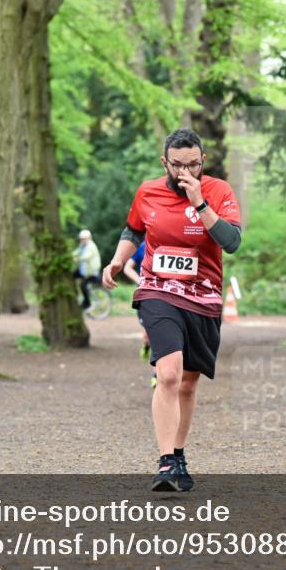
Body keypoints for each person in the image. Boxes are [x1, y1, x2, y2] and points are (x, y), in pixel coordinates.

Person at [102, 128, 242, 492]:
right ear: (164, 162)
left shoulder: (219, 191)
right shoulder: (148, 191)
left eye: (193, 164)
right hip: (158, 291)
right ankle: (166, 461)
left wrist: (200, 204)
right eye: (177, 165)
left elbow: (232, 242)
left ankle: (178, 455)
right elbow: (133, 230)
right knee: (168, 374)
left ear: (202, 160)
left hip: (204, 297)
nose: (185, 172)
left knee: (189, 382)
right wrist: (118, 260)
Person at [124, 241, 156, 384]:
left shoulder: (173, 243)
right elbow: (127, 268)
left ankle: (156, 374)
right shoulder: (143, 246)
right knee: (148, 336)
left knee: (160, 335)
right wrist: (140, 281)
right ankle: (146, 346)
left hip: (166, 297)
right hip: (145, 297)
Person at [72, 229, 102, 313]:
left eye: (84, 239)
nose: (83, 240)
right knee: (72, 275)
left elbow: (87, 256)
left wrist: (77, 259)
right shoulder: (82, 246)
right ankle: (76, 294)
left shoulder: (91, 246)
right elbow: (77, 252)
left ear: (89, 238)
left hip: (91, 273)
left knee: (83, 285)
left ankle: (88, 304)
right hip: (84, 271)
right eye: (81, 239)